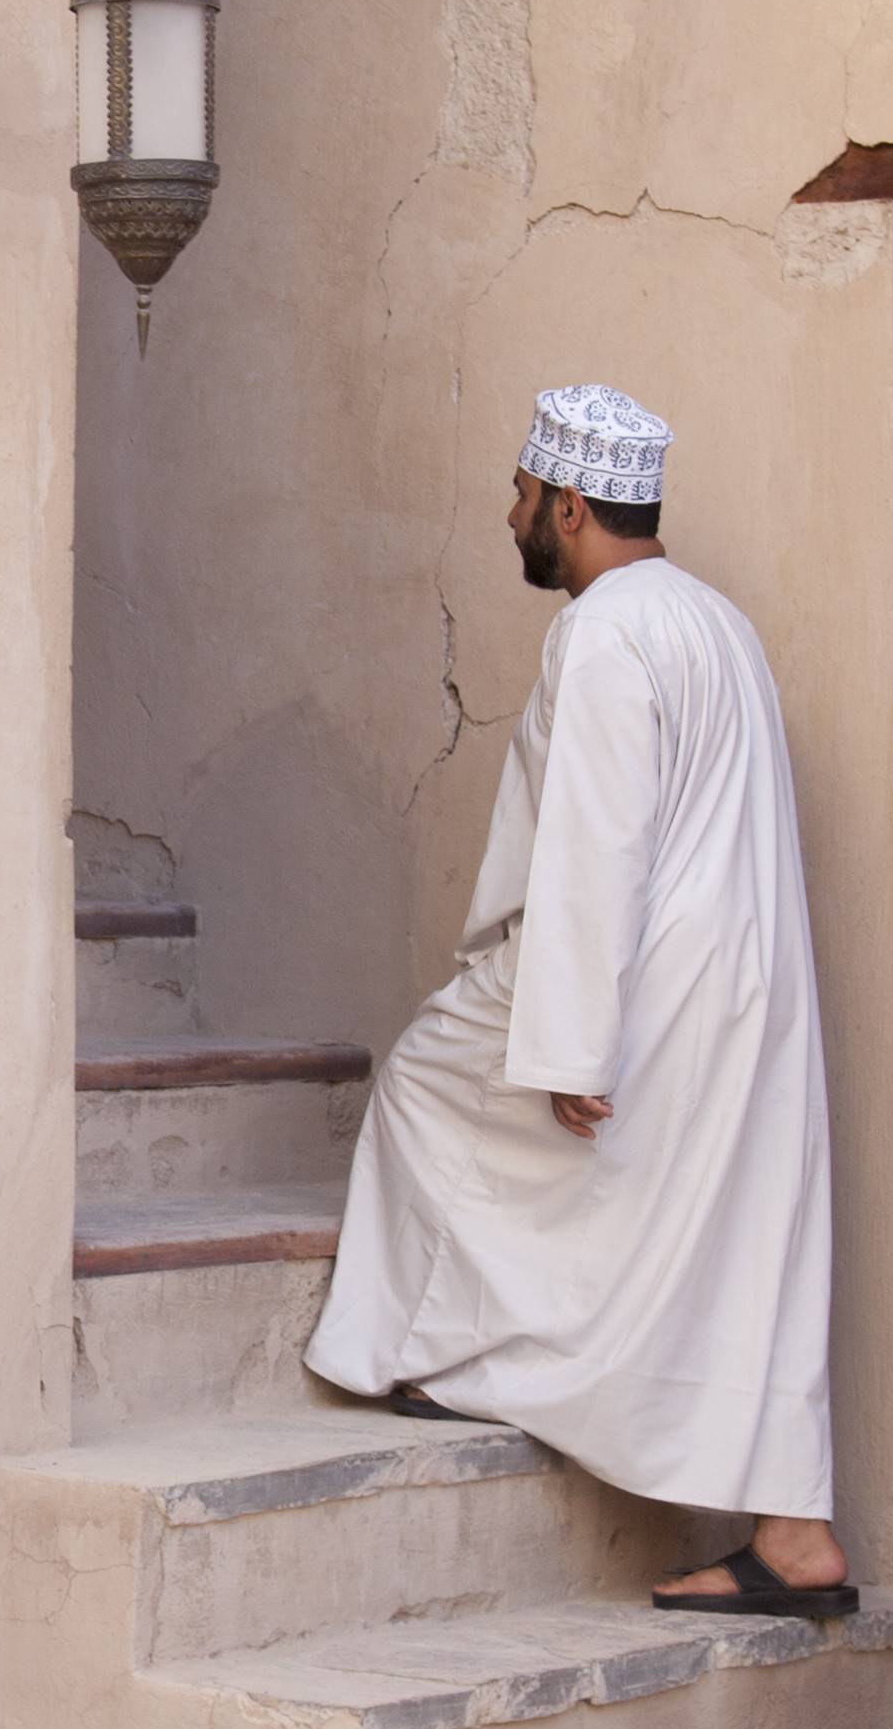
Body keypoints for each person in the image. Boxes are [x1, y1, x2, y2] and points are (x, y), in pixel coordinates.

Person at [304, 383, 853, 1615]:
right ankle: (798, 1532)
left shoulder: (605, 631)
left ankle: (445, 1352)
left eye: (519, 494)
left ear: (567, 501)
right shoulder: (718, 620)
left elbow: (596, 848)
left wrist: (568, 1041)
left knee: (424, 1082)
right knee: (743, 1236)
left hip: (653, 971)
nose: (510, 517)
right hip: (748, 983)